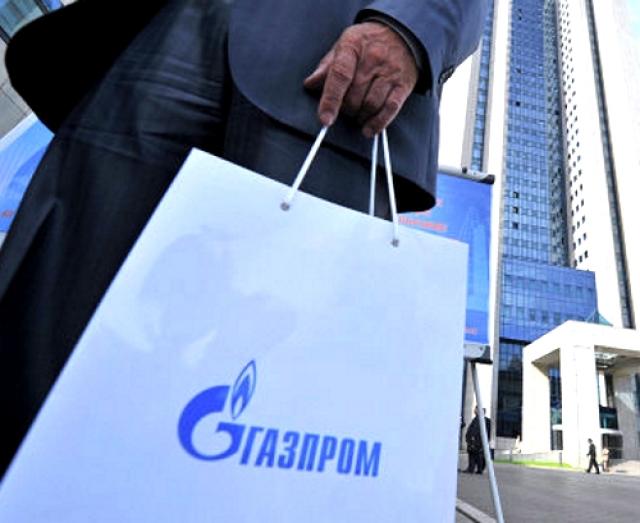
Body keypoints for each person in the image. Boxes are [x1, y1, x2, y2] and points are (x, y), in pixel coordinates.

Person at [0, 0, 487, 477]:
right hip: (158, 35)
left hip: (328, 74)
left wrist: (406, 25)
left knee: (270, 405)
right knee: (55, 322)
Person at [464, 407, 491, 474]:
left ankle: (474, 469)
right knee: (476, 455)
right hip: (477, 441)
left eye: (476, 410)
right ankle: (476, 469)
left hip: (476, 441)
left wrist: (472, 439)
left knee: (475, 455)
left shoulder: (480, 420)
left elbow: (475, 431)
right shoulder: (478, 419)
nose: (474, 411)